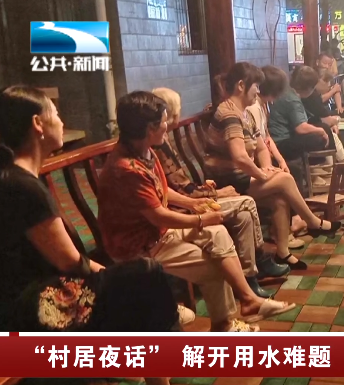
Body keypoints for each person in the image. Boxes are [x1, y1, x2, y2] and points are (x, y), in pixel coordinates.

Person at [0, 86, 215, 385]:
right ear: (38, 124)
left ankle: (162, 355)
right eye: (56, 113)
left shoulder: (18, 179)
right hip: (33, 307)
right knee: (146, 277)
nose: (62, 121)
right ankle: (165, 382)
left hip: (44, 292)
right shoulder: (21, 186)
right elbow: (69, 261)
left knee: (143, 279)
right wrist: (113, 277)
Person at [97, 90, 297, 332]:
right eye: (164, 121)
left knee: (218, 233)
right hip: (139, 245)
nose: (168, 125)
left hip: (157, 232)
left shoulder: (143, 150)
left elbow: (160, 190)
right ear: (150, 128)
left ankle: (247, 301)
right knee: (215, 267)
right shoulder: (126, 168)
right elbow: (158, 216)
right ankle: (225, 323)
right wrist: (201, 219)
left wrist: (192, 205)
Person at [151, 87, 290, 298]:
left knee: (246, 214)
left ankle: (250, 276)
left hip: (189, 198)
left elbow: (176, 185)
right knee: (249, 202)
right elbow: (175, 190)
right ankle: (258, 265)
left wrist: (207, 191)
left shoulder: (161, 140)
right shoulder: (155, 146)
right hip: (179, 210)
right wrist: (213, 194)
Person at [205, 62, 342, 270]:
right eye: (255, 86)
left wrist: (268, 168)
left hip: (241, 177)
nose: (258, 91)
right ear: (241, 86)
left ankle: (283, 253)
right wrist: (262, 175)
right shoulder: (229, 114)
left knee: (280, 197)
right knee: (285, 179)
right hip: (228, 183)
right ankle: (313, 222)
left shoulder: (243, 112)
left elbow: (262, 146)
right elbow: (240, 157)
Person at [246, 65, 309, 246]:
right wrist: (268, 167)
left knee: (291, 166)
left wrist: (280, 160)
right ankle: (299, 221)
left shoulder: (263, 105)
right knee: (290, 174)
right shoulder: (254, 108)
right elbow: (258, 145)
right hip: (254, 166)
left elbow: (266, 137)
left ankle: (294, 222)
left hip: (262, 160)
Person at [293, 66, 344, 185]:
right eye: (325, 81)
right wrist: (328, 125)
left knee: (331, 132)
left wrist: (332, 119)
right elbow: (302, 126)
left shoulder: (308, 95)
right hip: (295, 137)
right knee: (329, 132)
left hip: (309, 130)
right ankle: (341, 174)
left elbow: (323, 114)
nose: (329, 84)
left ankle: (339, 174)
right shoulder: (304, 97)